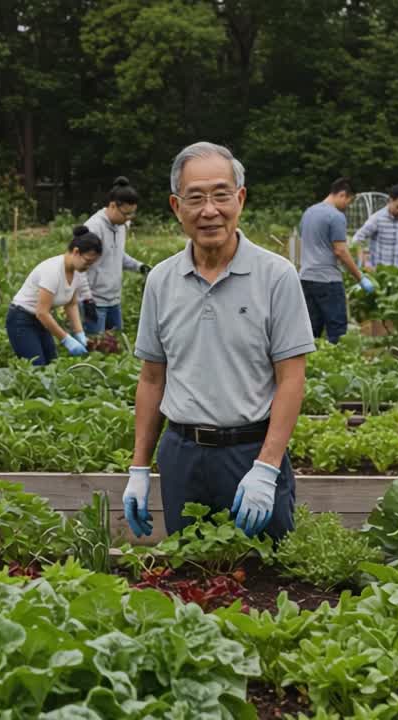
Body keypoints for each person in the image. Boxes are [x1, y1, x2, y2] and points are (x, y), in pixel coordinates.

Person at [122, 142, 316, 540]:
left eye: (221, 195)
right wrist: (139, 469)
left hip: (250, 452)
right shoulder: (161, 280)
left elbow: (292, 378)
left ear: (240, 199)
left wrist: (266, 467)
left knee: (267, 580)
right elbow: (152, 379)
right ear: (177, 207)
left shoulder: (276, 276)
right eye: (195, 198)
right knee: (191, 578)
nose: (209, 210)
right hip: (182, 455)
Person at [6, 226, 102, 366]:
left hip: (41, 320)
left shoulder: (78, 272)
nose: (88, 266)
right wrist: (66, 339)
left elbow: (71, 304)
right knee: (37, 368)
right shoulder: (53, 271)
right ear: (76, 252)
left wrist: (79, 333)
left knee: (52, 366)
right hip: (22, 320)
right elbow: (42, 312)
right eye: (87, 261)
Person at [297, 177, 374, 343]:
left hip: (305, 278)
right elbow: (340, 251)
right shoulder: (336, 216)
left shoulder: (309, 212)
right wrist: (360, 278)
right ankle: (338, 366)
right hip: (328, 280)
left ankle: (312, 365)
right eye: (349, 201)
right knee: (337, 331)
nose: (347, 206)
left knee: (311, 330)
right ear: (342, 194)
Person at [79, 177, 150, 335]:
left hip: (114, 300)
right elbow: (79, 266)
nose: (128, 219)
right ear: (112, 206)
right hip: (94, 301)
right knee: (96, 349)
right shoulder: (93, 228)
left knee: (116, 346)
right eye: (126, 214)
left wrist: (139, 266)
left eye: (132, 214)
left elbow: (117, 255)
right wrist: (87, 299)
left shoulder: (120, 226)